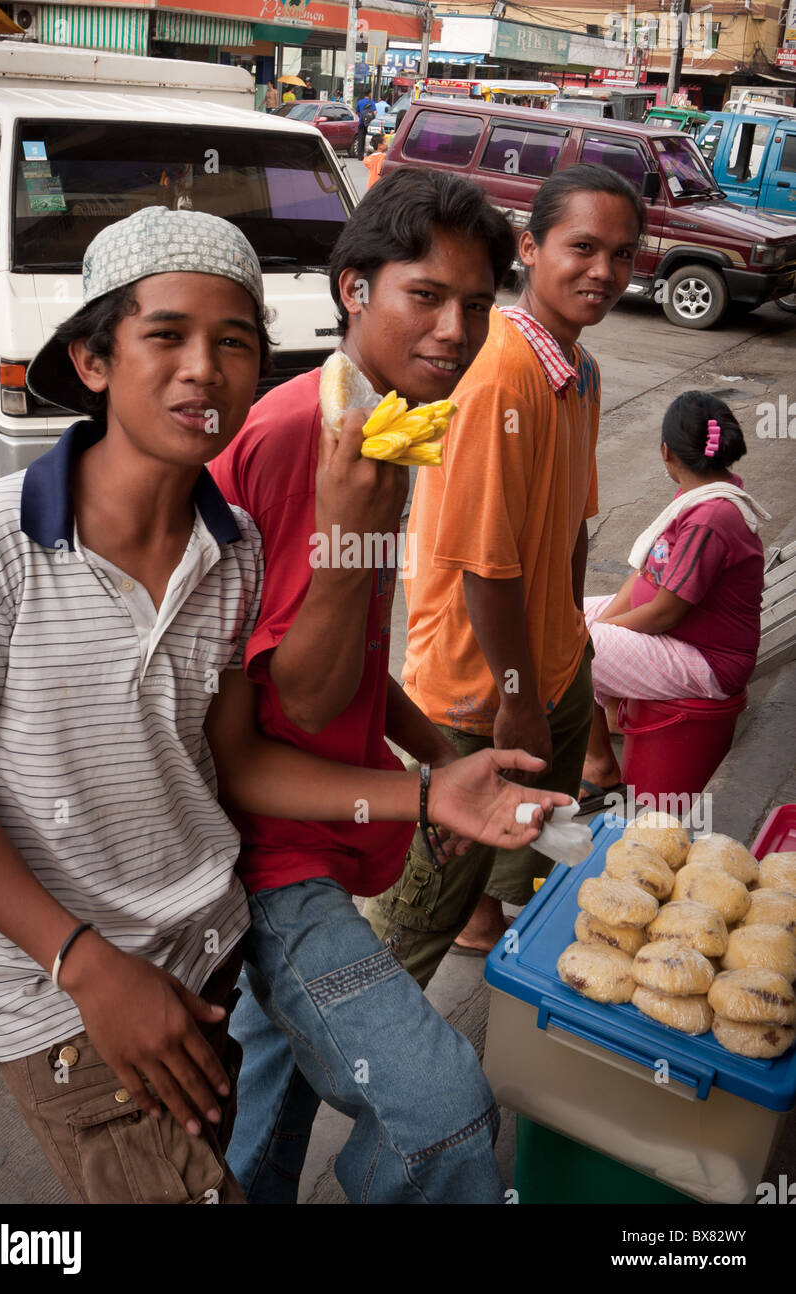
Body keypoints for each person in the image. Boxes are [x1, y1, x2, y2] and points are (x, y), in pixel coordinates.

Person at [0, 205, 567, 1207]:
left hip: (204, 940)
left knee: (248, 1138)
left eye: (235, 343)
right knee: (434, 1104)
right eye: (165, 335)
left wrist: (432, 781)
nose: (204, 369)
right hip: (76, 982)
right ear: (93, 360)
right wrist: (82, 963)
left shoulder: (226, 552)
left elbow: (240, 751)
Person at [209, 168, 569, 1204]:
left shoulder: (386, 421)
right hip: (266, 848)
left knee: (268, 1086)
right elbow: (304, 702)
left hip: (334, 814)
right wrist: (424, 785)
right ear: (352, 289)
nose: (455, 328)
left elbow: (356, 653)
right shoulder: (304, 439)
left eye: (474, 302)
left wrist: (438, 748)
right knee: (439, 1107)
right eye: (426, 295)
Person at [364, 164, 647, 982]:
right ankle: (371, 1040)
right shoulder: (501, 374)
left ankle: (482, 937)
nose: (604, 271)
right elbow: (486, 567)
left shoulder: (577, 370)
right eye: (583, 247)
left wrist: (574, 658)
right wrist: (520, 700)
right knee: (419, 909)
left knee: (513, 854)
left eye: (623, 255)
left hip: (547, 678)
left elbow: (568, 533)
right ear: (530, 248)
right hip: (477, 695)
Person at [581, 391, 767, 803]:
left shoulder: (711, 517)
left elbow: (665, 612)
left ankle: (599, 766)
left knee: (571, 647)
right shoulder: (701, 493)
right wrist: (600, 621)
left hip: (709, 662)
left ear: (667, 453)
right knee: (572, 620)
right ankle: (614, 716)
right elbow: (648, 569)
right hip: (683, 638)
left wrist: (597, 633)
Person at [354, 89, 376, 157]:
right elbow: (374, 112)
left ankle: (360, 155)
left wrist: (362, 117)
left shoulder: (359, 102)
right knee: (371, 137)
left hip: (361, 122)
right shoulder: (371, 102)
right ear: (369, 94)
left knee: (361, 139)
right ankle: (370, 153)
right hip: (369, 123)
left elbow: (357, 112)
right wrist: (371, 118)